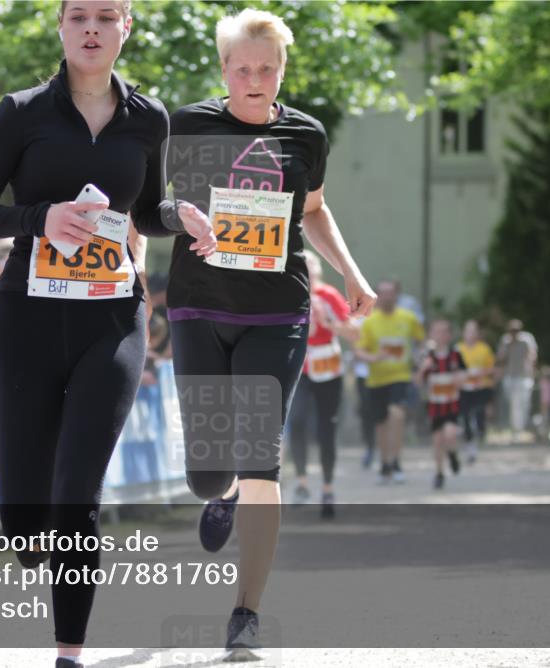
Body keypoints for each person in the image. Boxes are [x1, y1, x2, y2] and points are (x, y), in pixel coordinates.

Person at [0, 2, 215, 665]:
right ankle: (30, 534)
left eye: (106, 16)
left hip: (112, 318)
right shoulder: (23, 111)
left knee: (78, 490)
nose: (91, 28)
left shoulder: (149, 117)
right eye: (78, 17)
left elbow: (146, 211)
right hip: (26, 318)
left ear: (127, 28)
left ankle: (69, 652)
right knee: (25, 513)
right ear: (61, 29)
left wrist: (180, 214)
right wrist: (41, 217)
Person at [164, 8, 375, 658]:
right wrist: (178, 216)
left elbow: (312, 209)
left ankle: (245, 613)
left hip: (277, 313)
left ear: (282, 69)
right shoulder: (186, 126)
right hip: (199, 308)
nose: (255, 79)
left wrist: (352, 273)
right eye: (243, 68)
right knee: (208, 474)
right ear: (225, 69)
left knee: (261, 458)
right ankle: (220, 491)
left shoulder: (306, 136)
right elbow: (145, 201)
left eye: (268, 68)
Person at [287, 251, 359, 518]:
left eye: (311, 270)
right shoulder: (290, 295)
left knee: (327, 427)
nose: (307, 275)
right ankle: (303, 482)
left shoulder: (329, 296)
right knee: (297, 421)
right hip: (300, 368)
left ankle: (328, 488)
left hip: (328, 369)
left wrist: (331, 323)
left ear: (318, 272)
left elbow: (354, 333)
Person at [355, 279, 424, 484]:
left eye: (391, 292)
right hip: (376, 380)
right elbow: (359, 351)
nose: (387, 297)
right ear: (377, 296)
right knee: (382, 424)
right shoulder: (369, 322)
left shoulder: (408, 318)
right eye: (382, 293)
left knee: (397, 414)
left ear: (397, 295)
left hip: (400, 376)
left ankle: (396, 461)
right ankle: (385, 463)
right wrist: (374, 358)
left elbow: (421, 342)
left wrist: (420, 362)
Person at [415, 319, 466, 489]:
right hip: (435, 405)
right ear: (431, 334)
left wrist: (458, 378)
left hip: (451, 404)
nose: (440, 335)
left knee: (450, 434)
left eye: (444, 331)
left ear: (449, 335)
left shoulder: (455, 354)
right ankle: (439, 473)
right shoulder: (427, 356)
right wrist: (423, 369)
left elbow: (463, 376)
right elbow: (417, 381)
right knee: (437, 440)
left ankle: (452, 454)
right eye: (436, 331)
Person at [457, 319, 496, 463]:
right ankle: (470, 445)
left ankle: (479, 432)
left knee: (479, 414)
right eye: (468, 331)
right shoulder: (458, 349)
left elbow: (492, 368)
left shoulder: (484, 349)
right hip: (464, 389)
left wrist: (481, 373)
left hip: (481, 387)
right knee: (466, 417)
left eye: (473, 331)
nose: (470, 334)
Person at [497, 318, 538, 441]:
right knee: (513, 404)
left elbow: (532, 356)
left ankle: (521, 428)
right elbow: (500, 358)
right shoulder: (505, 341)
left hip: (524, 376)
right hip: (510, 376)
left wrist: (532, 371)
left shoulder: (527, 339)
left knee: (523, 403)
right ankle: (516, 431)